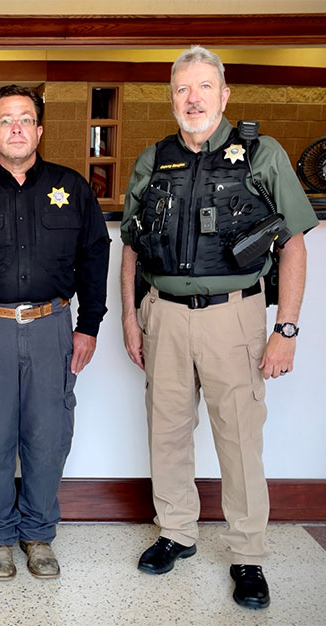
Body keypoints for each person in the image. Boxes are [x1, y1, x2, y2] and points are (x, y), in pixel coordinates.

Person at [120, 46, 318, 610]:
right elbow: (132, 245)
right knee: (167, 431)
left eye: (205, 86)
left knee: (238, 438)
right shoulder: (153, 158)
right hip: (164, 315)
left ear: (224, 94)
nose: (194, 98)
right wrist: (132, 319)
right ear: (172, 97)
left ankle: (247, 553)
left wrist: (287, 328)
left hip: (235, 315)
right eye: (183, 88)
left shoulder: (261, 153)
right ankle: (177, 532)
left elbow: (295, 243)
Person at [0, 84, 110, 581]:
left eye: (25, 119)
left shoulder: (71, 188)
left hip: (53, 327)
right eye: (5, 120)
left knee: (48, 435)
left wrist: (88, 326)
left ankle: (37, 533)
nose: (15, 128)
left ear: (39, 129)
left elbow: (96, 258)